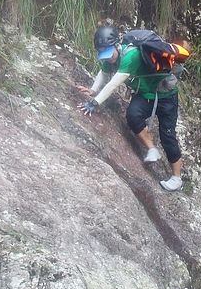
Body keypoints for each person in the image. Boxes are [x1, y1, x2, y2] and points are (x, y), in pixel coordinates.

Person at [77, 25, 183, 191]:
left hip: (166, 96)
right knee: (133, 117)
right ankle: (152, 149)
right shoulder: (112, 57)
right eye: (103, 54)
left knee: (167, 136)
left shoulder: (131, 56)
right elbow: (104, 72)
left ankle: (177, 178)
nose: (107, 58)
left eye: (108, 53)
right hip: (144, 94)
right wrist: (93, 90)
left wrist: (94, 103)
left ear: (116, 45)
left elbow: (113, 84)